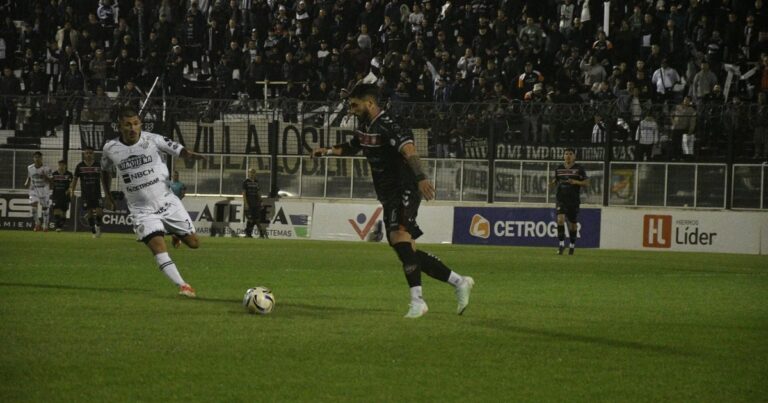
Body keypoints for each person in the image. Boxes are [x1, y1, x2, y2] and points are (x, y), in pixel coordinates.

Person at [311, 83, 474, 319]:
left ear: (370, 103)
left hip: (404, 188)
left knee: (399, 237)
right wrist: (325, 151)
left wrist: (420, 179)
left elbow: (409, 150)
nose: (352, 109)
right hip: (388, 194)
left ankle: (418, 301)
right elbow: (352, 147)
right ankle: (459, 282)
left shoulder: (389, 125)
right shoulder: (365, 125)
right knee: (406, 250)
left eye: (355, 105)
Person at [100, 107, 206, 298]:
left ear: (140, 124)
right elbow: (105, 171)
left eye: (135, 123)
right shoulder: (110, 148)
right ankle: (183, 285)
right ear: (119, 126)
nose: (132, 128)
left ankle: (175, 232)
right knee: (158, 247)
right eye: (127, 124)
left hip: (167, 201)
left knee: (194, 243)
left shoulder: (153, 139)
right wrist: (107, 195)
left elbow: (177, 149)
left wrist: (189, 154)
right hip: (141, 210)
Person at [549, 148, 589, 255]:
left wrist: (575, 181)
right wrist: (552, 183)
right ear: (563, 156)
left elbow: (586, 183)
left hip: (573, 200)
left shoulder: (579, 169)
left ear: (574, 157)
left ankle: (572, 245)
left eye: (570, 154)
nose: (568, 156)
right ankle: (561, 244)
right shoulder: (558, 169)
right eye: (566, 154)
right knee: (560, 219)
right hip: (561, 199)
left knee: (572, 224)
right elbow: (556, 180)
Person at [69, 146, 105, 238]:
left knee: (99, 212)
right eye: (87, 153)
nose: (88, 155)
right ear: (84, 154)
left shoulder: (98, 165)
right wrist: (71, 190)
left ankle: (97, 226)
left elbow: (103, 179)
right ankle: (93, 231)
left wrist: (106, 191)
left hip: (97, 193)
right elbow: (75, 179)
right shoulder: (79, 166)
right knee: (89, 213)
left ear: (93, 154)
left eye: (90, 153)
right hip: (85, 194)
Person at [24, 152, 52, 232]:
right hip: (34, 190)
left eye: (38, 157)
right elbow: (29, 176)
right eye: (35, 157)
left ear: (41, 158)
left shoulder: (47, 168)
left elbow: (52, 180)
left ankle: (45, 225)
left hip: (44, 190)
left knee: (45, 209)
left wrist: (45, 176)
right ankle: (37, 224)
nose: (37, 159)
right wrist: (26, 183)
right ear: (33, 158)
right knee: (33, 207)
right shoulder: (30, 167)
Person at [242, 168, 268, 239]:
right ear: (248, 173)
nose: (252, 174)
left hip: (256, 203)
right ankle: (248, 234)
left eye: (253, 172)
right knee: (250, 219)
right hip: (249, 203)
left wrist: (261, 201)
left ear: (255, 173)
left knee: (256, 219)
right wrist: (246, 203)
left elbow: (258, 192)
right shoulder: (245, 182)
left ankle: (261, 234)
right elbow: (244, 193)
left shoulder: (257, 182)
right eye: (251, 172)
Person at [51, 160, 74, 232]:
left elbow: (71, 183)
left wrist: (70, 189)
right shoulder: (54, 174)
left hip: (65, 196)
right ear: (58, 165)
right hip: (56, 195)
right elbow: (51, 183)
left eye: (63, 165)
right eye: (60, 165)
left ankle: (60, 226)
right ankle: (58, 227)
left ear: (65, 166)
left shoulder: (69, 174)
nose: (61, 166)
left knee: (63, 213)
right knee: (56, 211)